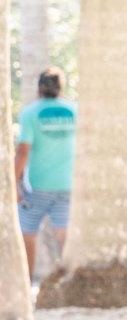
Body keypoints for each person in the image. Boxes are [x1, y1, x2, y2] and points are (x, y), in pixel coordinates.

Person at [13, 67, 78, 280]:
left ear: (39, 87)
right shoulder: (75, 111)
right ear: (61, 87)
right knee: (64, 237)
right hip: (69, 185)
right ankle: (70, 282)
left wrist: (14, 182)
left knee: (26, 234)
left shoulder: (31, 113)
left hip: (37, 188)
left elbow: (23, 150)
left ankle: (27, 280)